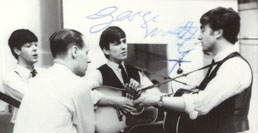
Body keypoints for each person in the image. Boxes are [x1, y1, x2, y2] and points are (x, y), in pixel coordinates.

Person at [134, 7, 252, 133]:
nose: (199, 36)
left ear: (218, 33)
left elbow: (201, 104)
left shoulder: (235, 66)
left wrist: (157, 100)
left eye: (203, 30)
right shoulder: (222, 63)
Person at [14, 29, 95, 133]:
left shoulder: (36, 80)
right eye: (86, 52)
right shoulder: (78, 85)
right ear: (74, 51)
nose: (88, 59)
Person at [86, 26, 160, 133]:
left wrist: (140, 91)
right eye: (117, 43)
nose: (124, 47)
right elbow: (83, 93)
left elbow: (156, 96)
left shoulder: (136, 72)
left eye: (124, 42)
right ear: (106, 50)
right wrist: (114, 101)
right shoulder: (98, 73)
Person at [2, 29, 45, 127]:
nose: (35, 49)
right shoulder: (10, 78)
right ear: (17, 51)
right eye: (29, 46)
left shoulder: (44, 72)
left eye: (36, 45)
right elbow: (33, 97)